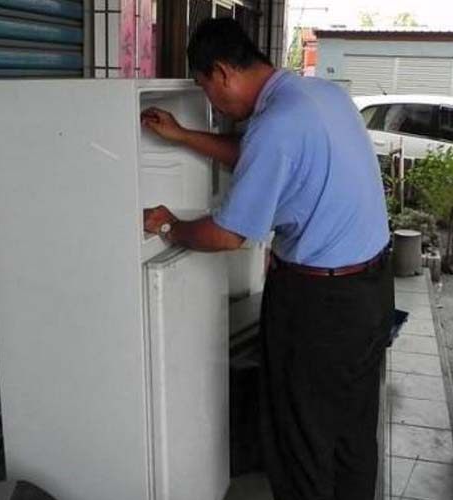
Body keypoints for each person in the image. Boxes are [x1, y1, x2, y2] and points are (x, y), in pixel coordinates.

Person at [142, 17, 394, 500]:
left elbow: (227, 235)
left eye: (206, 90)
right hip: (370, 290)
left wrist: (171, 226)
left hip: (321, 306)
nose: (214, 105)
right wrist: (184, 136)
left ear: (221, 73)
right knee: (352, 433)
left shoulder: (275, 125)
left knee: (301, 442)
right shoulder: (319, 96)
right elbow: (260, 156)